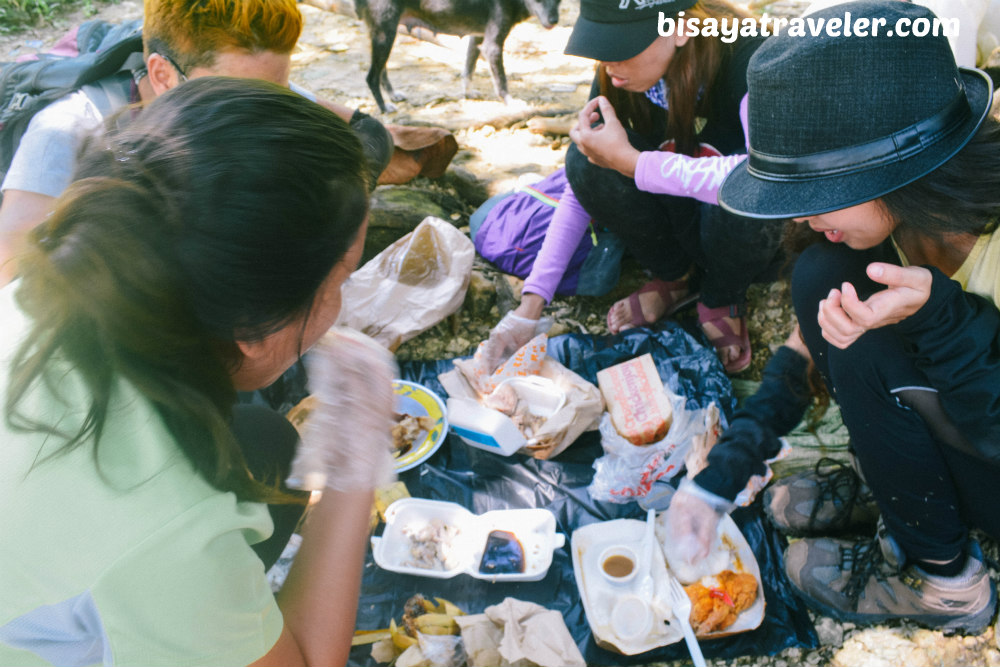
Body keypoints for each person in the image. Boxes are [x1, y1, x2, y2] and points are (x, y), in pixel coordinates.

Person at [0, 77, 396, 666]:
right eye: (341, 279)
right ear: (253, 330)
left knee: (263, 445)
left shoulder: (54, 277)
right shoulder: (163, 522)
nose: (346, 298)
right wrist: (354, 465)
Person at [665, 0, 999, 633]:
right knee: (823, 278)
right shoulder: (887, 224)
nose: (801, 217)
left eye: (815, 197)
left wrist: (939, 313)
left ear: (899, 173)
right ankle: (898, 488)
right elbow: (809, 346)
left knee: (859, 315)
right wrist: (724, 473)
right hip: (964, 426)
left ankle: (945, 583)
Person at [473, 0, 785, 377]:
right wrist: (532, 303)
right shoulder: (616, 72)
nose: (610, 63)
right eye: (602, 45)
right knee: (580, 158)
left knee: (740, 194)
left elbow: (768, 177)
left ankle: (722, 295)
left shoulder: (752, 58)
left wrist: (635, 164)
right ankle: (674, 276)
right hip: (676, 216)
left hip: (740, 228)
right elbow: (584, 180)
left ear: (680, 28)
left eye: (623, 46)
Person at [0, 0, 392, 286]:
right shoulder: (65, 134)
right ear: (163, 75)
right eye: (235, 100)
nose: (261, 116)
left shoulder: (243, 81)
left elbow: (368, 136)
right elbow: (12, 276)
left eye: (278, 92)